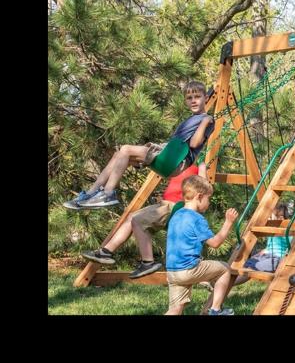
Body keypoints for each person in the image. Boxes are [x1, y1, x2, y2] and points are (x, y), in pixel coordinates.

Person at [63, 80, 215, 209]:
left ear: (206, 98)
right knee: (119, 155)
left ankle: (108, 193)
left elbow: (195, 143)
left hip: (176, 160)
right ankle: (91, 193)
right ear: (185, 101)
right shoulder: (191, 118)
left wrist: (205, 121)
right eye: (189, 98)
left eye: (197, 97)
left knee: (126, 149)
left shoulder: (207, 120)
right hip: (169, 154)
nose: (193, 100)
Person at [79, 163, 203, 279]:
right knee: (131, 218)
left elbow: (204, 187)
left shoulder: (199, 163)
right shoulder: (181, 162)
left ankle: (148, 262)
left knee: (137, 221)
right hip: (164, 205)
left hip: (174, 206)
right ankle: (105, 252)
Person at [164, 174, 238, 315]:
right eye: (208, 198)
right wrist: (228, 223)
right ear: (199, 197)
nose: (209, 203)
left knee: (175, 309)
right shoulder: (197, 218)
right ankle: (215, 310)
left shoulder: (177, 214)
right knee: (225, 269)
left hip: (172, 271)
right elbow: (215, 243)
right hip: (188, 269)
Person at [233, 202, 292, 286]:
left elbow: (291, 248)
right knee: (247, 263)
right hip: (266, 255)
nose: (268, 220)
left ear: (281, 218)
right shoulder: (271, 229)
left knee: (252, 268)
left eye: (271, 217)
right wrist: (260, 253)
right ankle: (223, 282)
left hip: (277, 258)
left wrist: (285, 259)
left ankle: (229, 284)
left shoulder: (287, 231)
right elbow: (269, 247)